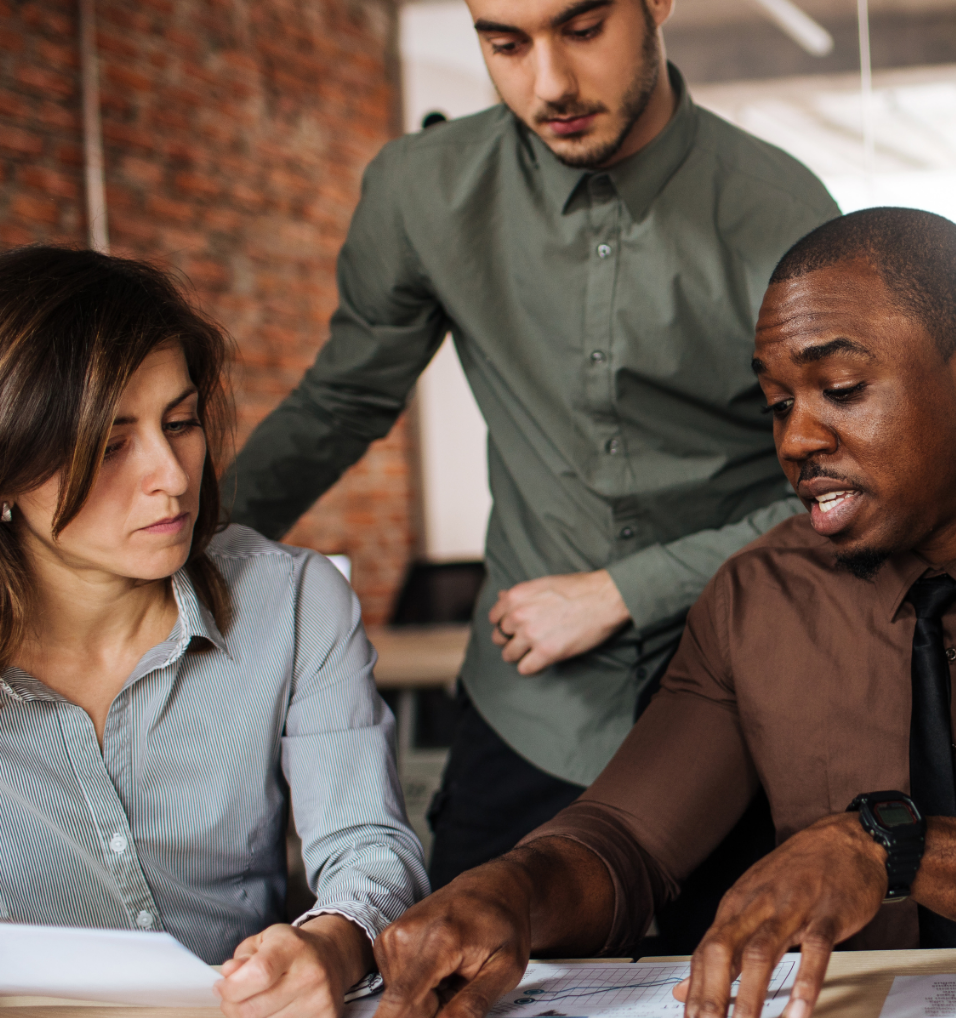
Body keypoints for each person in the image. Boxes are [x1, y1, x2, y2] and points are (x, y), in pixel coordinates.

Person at [336, 208, 956, 1018]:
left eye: (842, 389)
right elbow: (625, 838)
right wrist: (514, 890)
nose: (797, 438)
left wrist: (893, 846)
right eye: (778, 403)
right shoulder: (758, 595)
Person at [221, 0, 841, 893]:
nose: (547, 84)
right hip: (533, 709)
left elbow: (842, 485)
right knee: (461, 994)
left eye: (582, 30)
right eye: (504, 43)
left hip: (754, 700)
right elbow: (341, 403)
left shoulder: (784, 213)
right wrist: (175, 543)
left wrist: (626, 591)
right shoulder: (421, 192)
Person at [0, 247, 429, 1018]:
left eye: (179, 422)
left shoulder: (291, 599)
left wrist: (330, 944)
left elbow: (367, 847)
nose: (173, 476)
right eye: (113, 443)